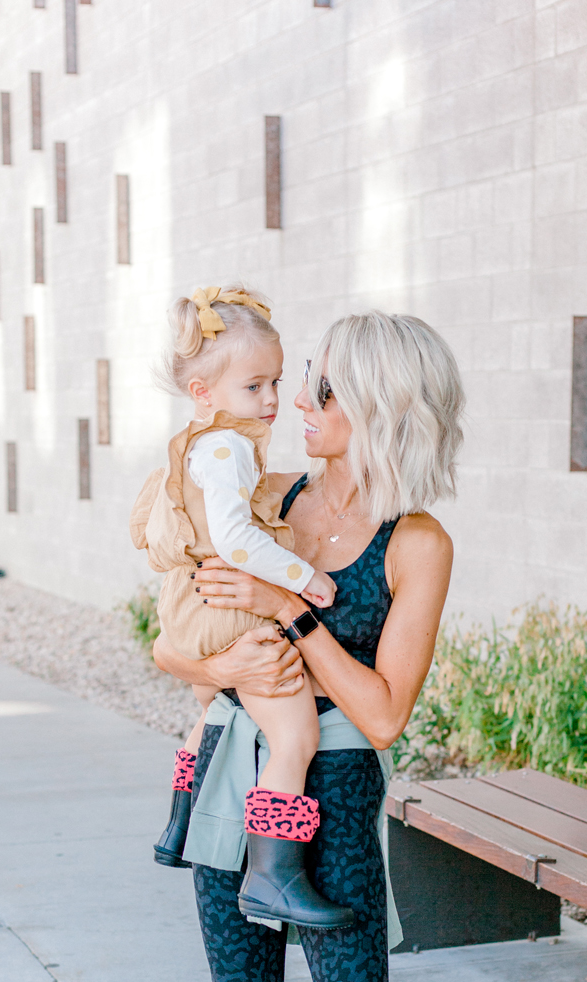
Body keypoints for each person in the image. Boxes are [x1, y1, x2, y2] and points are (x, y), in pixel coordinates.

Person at [153, 309, 466, 982]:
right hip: (234, 773)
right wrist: (227, 667)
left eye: (322, 389)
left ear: (378, 408)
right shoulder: (265, 497)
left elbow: (382, 713)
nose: (297, 403)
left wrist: (288, 616)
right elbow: (173, 642)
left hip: (330, 790)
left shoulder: (415, 543)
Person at [130, 284, 350, 929]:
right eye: (254, 387)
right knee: (296, 735)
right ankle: (273, 877)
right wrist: (304, 576)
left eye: (275, 382)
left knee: (215, 710)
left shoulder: (198, 442)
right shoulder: (226, 448)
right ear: (204, 392)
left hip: (193, 601)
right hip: (227, 603)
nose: (273, 399)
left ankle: (180, 824)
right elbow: (234, 537)